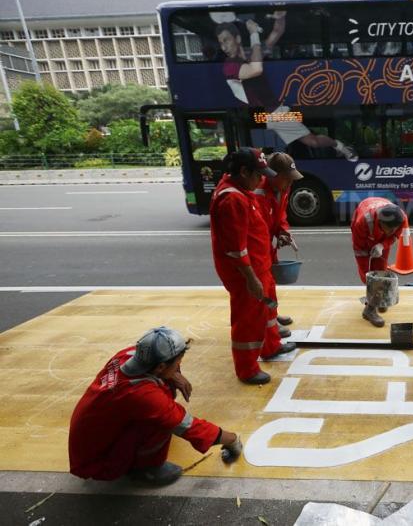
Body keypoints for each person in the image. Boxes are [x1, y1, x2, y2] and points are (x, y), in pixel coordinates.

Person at [68, 327, 243, 486]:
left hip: (93, 439)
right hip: (97, 461)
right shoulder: (142, 396)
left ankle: (135, 457)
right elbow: (188, 426)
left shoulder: (126, 355)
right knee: (161, 421)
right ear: (160, 366)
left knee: (165, 390)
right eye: (177, 363)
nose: (178, 366)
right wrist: (232, 440)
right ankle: (146, 469)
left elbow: (160, 374)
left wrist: (173, 374)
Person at [215, 13, 358, 161]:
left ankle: (340, 146)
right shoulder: (229, 66)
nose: (224, 47)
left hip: (275, 113)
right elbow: (256, 69)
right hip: (258, 116)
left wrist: (280, 15)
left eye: (226, 40)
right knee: (269, 155)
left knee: (312, 142)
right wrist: (254, 34)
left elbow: (277, 32)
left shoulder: (253, 53)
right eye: (221, 43)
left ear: (237, 39)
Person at [210, 147, 296, 385]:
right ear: (243, 171)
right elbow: (236, 249)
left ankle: (270, 346)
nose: (262, 179)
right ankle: (247, 368)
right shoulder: (233, 199)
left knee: (266, 309)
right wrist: (250, 278)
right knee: (248, 318)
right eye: (258, 174)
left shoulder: (242, 192)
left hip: (260, 264)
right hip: (246, 272)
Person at [253, 152, 303, 338]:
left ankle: (272, 314)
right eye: (286, 179)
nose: (290, 183)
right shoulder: (257, 191)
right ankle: (268, 322)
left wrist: (283, 231)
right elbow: (257, 227)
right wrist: (273, 239)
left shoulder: (283, 188)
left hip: (269, 243)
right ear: (273, 175)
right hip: (258, 246)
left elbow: (281, 214)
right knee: (263, 284)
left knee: (270, 281)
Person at [350, 197, 407, 327]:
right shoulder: (362, 222)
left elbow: (394, 236)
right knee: (371, 277)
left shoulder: (401, 219)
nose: (391, 232)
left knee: (381, 269)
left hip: (379, 240)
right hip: (363, 235)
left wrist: (382, 245)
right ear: (379, 222)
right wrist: (368, 279)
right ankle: (369, 310)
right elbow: (359, 252)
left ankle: (377, 299)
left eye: (394, 229)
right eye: (388, 229)